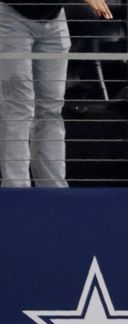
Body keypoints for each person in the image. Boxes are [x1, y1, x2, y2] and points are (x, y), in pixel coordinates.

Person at [0, 0, 111, 187]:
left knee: (51, 108)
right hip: (12, 14)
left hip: (53, 17)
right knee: (18, 107)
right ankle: (16, 191)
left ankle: (53, 191)